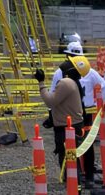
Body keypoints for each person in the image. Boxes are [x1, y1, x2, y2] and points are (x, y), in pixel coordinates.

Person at [36, 55, 95, 186]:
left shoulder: (66, 83)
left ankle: (74, 185)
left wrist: (41, 82)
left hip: (66, 127)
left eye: (69, 62)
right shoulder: (72, 83)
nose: (65, 62)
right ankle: (75, 183)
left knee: (68, 159)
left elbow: (50, 102)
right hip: (73, 124)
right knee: (71, 157)